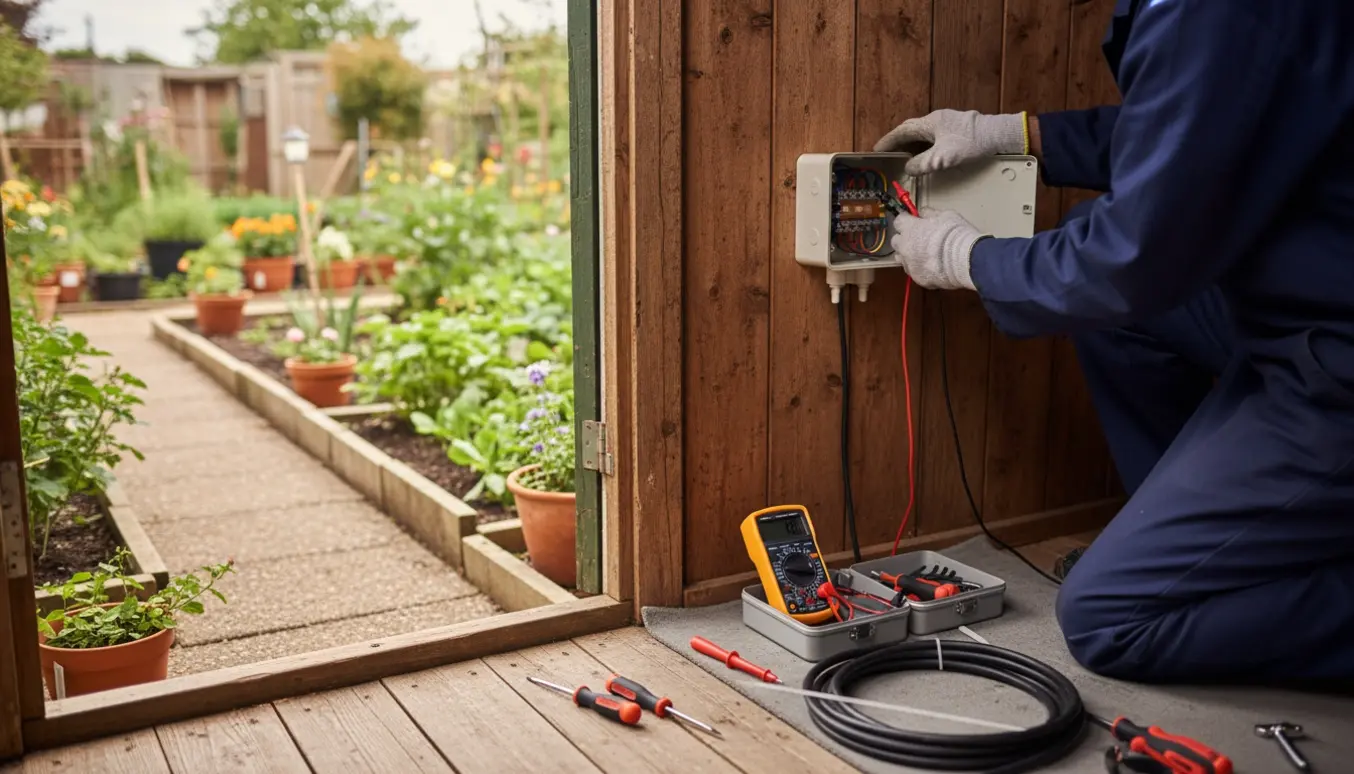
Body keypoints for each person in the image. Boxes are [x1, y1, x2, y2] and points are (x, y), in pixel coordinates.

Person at [875, 0, 1354, 683]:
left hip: (1333, 359)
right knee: (1114, 313)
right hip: (1303, 304)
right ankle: (1218, 552)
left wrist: (969, 259)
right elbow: (1204, 127)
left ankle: (1204, 571)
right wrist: (1019, 135)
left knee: (1107, 618)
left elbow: (1131, 261)